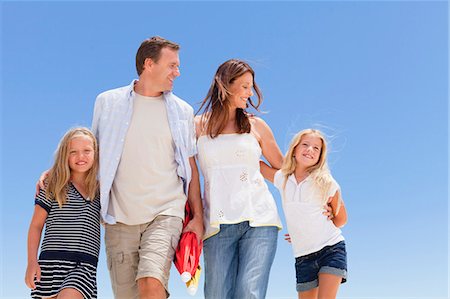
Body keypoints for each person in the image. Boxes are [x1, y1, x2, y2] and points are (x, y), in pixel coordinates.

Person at [39, 36, 203, 299]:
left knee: (151, 282)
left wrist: (197, 216)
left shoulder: (182, 111)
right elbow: (92, 151)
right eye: (172, 65)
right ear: (149, 64)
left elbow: (190, 165)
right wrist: (58, 170)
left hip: (166, 212)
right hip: (119, 217)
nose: (177, 72)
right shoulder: (108, 102)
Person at [195, 59, 283, 299]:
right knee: (216, 294)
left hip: (259, 219)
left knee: (249, 294)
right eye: (244, 86)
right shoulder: (198, 126)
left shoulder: (257, 126)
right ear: (225, 85)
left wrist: (318, 196)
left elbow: (285, 172)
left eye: (251, 87)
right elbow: (186, 173)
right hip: (216, 223)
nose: (249, 92)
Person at [260, 128, 348, 299]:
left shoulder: (326, 182)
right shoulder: (283, 179)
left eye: (316, 148)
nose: (310, 150)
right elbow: (259, 167)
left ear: (320, 156)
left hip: (331, 249)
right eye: (305, 145)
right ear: (294, 149)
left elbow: (342, 219)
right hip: (302, 256)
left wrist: (330, 215)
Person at [25, 127, 100, 299]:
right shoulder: (53, 185)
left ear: (96, 154)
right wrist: (31, 262)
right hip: (50, 264)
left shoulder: (100, 191)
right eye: (73, 152)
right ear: (64, 156)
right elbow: (36, 226)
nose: (81, 157)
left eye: (87, 151)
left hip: (84, 266)